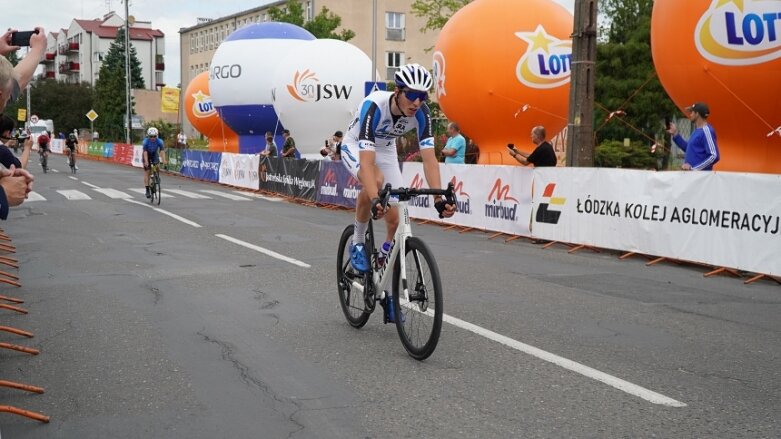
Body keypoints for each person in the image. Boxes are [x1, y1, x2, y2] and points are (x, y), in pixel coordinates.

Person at [341, 63, 455, 321]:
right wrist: (374, 199)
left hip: (387, 149)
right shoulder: (375, 107)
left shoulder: (421, 113)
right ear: (398, 91)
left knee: (396, 217)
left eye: (423, 96)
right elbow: (368, 164)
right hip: (356, 145)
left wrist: (438, 198)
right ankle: (358, 242)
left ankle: (383, 275)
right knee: (376, 182)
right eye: (412, 95)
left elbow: (430, 160)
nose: (417, 102)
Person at [667, 102, 719, 170]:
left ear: (697, 114)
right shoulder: (697, 130)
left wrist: (693, 169)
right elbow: (689, 148)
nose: (690, 115)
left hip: (701, 178)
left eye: (691, 112)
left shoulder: (707, 131)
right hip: (693, 177)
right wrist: (675, 134)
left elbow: (714, 156)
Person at [142, 127, 167, 198]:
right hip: (146, 155)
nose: (153, 138)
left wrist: (164, 160)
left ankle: (156, 175)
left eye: (154, 136)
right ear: (148, 136)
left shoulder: (160, 141)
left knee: (157, 165)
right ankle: (147, 190)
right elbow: (145, 152)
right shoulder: (145, 142)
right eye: (151, 136)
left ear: (157, 136)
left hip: (154, 154)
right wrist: (146, 161)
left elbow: (162, 151)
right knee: (147, 172)